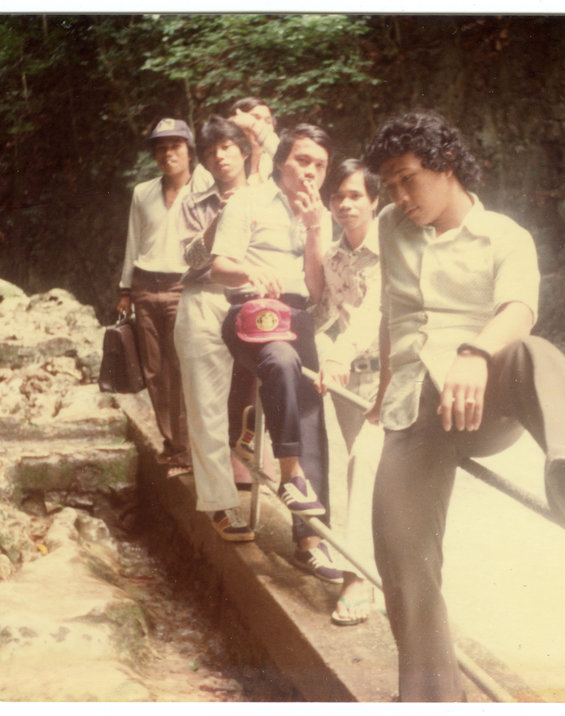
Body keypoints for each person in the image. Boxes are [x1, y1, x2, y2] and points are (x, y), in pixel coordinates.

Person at [363, 111, 565, 701]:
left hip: (482, 395)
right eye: (388, 185)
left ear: (446, 167)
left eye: (407, 179)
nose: (398, 196)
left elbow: (520, 308)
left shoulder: (506, 236)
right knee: (400, 559)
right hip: (414, 409)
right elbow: (392, 315)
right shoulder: (390, 227)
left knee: (533, 352)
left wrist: (475, 352)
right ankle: (433, 702)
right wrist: (380, 391)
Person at [210, 123, 342, 582]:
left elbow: (316, 288)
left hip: (297, 314)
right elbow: (219, 267)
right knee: (282, 361)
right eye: (303, 161)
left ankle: (310, 541)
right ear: (282, 160)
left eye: (320, 166)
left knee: (311, 415)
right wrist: (249, 271)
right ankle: (289, 474)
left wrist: (312, 230)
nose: (311, 173)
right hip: (252, 312)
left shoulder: (319, 214)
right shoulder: (247, 200)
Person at [173, 115, 255, 541]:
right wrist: (215, 223)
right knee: (206, 405)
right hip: (204, 300)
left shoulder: (266, 197)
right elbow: (188, 259)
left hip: (256, 300)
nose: (220, 156)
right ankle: (222, 503)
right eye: (210, 151)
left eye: (227, 146)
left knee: (275, 385)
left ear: (244, 150)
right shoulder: (193, 200)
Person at [312, 159, 384, 626]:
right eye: (338, 196)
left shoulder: (395, 247)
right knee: (358, 471)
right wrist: (317, 353)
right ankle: (377, 570)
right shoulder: (333, 257)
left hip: (391, 374)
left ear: (376, 199)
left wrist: (337, 354)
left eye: (356, 195)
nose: (345, 204)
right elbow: (327, 314)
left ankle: (358, 577)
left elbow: (375, 310)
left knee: (368, 461)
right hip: (345, 379)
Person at [117, 118, 194, 469]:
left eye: (175, 146)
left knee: (184, 366)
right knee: (154, 369)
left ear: (188, 150)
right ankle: (173, 444)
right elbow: (133, 241)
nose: (167, 154)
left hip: (185, 286)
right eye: (161, 148)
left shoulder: (206, 188)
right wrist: (125, 290)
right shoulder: (142, 193)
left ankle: (191, 445)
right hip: (146, 286)